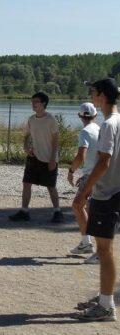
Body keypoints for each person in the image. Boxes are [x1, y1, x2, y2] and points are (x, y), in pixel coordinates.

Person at [74, 78, 120, 321]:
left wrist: (85, 191)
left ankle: (106, 306)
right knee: (106, 250)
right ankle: (105, 298)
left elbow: (104, 162)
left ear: (101, 95)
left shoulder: (109, 124)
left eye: (92, 91)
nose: (90, 94)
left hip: (106, 194)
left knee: (105, 250)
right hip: (116, 191)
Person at [9, 92, 64, 223]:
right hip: (34, 156)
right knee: (26, 183)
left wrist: (52, 159)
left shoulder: (51, 119)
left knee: (51, 186)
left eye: (36, 101)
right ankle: (24, 211)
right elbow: (27, 135)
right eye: (32, 101)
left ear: (43, 103)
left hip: (49, 158)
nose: (33, 104)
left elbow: (56, 140)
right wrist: (25, 147)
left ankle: (58, 212)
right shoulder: (31, 119)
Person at [67, 102, 100, 264]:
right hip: (101, 174)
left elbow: (81, 155)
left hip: (91, 176)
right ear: (95, 115)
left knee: (79, 206)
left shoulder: (85, 132)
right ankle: (87, 243)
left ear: (80, 116)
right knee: (89, 207)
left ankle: (91, 245)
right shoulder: (100, 129)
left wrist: (72, 171)